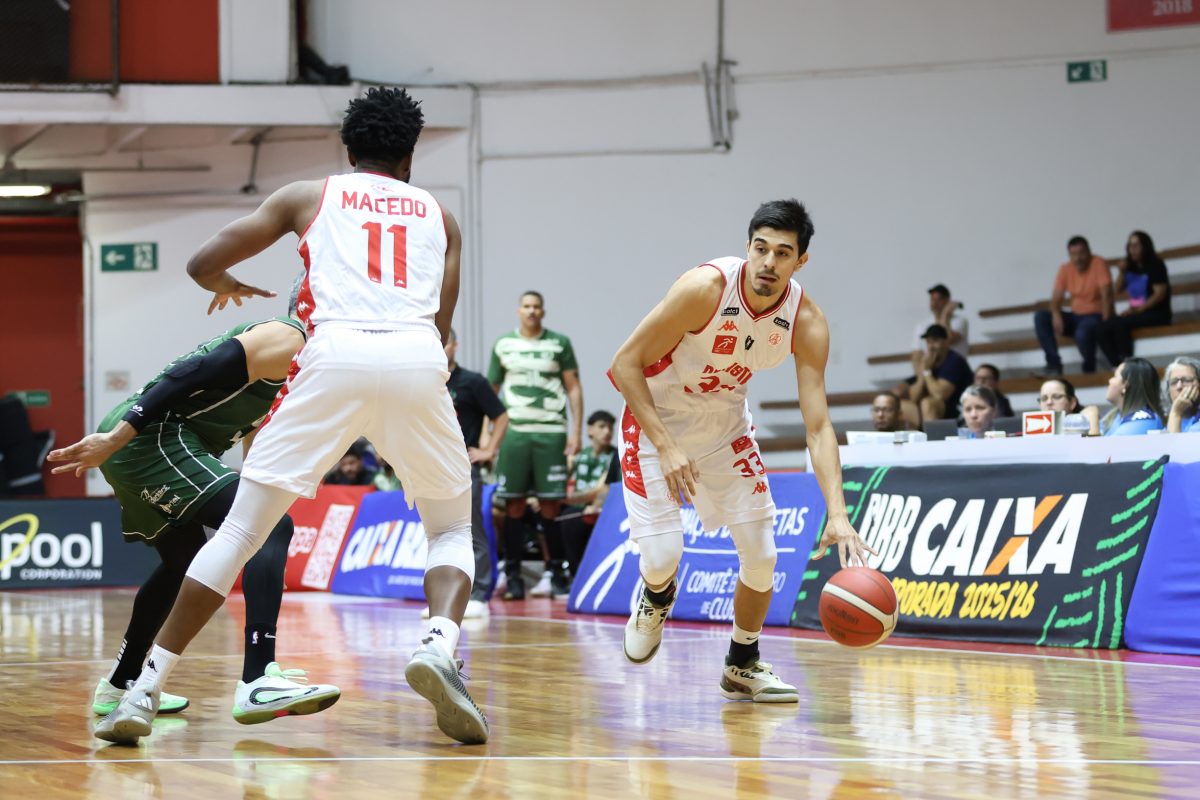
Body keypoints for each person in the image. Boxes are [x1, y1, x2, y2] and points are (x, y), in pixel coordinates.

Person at [93, 86, 489, 746]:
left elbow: (202, 263)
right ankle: (438, 644)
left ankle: (143, 689)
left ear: (348, 148)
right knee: (450, 528)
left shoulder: (308, 195)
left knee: (240, 531)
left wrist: (223, 284)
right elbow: (442, 327)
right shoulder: (440, 217)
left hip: (331, 356)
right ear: (410, 156)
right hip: (416, 359)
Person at [609, 199, 875, 703]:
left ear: (801, 261)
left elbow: (818, 426)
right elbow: (625, 364)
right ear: (747, 247)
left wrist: (838, 515)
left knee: (762, 553)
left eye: (783, 253)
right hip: (656, 419)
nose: (769, 263)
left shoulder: (806, 320)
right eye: (760, 248)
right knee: (662, 557)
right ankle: (657, 593)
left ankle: (742, 663)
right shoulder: (705, 290)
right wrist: (666, 446)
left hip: (725, 425)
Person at [46, 305, 341, 725]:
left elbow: (256, 446)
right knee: (271, 526)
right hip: (153, 437)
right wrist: (116, 438)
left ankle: (119, 683)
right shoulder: (289, 337)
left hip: (145, 443)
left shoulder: (302, 372)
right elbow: (188, 373)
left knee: (182, 562)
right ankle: (258, 677)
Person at [488, 291, 583, 600]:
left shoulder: (559, 343)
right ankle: (513, 576)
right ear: (519, 311)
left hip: (551, 432)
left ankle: (556, 573)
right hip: (515, 432)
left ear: (543, 311)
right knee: (513, 505)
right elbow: (491, 391)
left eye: (536, 307)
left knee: (550, 505)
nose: (531, 311)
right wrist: (488, 439)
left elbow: (573, 387)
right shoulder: (504, 344)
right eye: (526, 306)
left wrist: (576, 432)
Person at [445, 326, 509, 616]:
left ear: (455, 345)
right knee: (440, 532)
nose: (441, 348)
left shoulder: (472, 381)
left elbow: (501, 415)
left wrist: (489, 450)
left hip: (464, 467)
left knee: (471, 530)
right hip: (435, 467)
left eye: (446, 342)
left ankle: (480, 593)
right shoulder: (426, 381)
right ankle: (446, 597)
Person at [1034, 236, 1112, 375]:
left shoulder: (1098, 263)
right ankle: (1054, 364)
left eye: (1081, 253)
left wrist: (1106, 324)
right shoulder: (1065, 268)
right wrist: (1056, 314)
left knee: (1082, 332)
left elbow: (1107, 296)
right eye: (1073, 254)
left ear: (1089, 252)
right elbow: (1056, 299)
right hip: (1075, 316)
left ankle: (1089, 370)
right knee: (1041, 317)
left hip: (1095, 316)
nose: (1078, 258)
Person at [1098, 231, 1172, 368]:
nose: (1132, 249)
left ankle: (1128, 362)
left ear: (1145, 246)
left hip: (1156, 313)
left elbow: (1159, 294)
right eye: (1130, 245)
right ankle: (1116, 364)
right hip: (1137, 312)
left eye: (1136, 245)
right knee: (1102, 327)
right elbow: (1118, 290)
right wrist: (1122, 271)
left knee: (1121, 324)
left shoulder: (1155, 264)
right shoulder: (1130, 266)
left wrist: (1137, 310)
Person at [561, 409, 618, 582]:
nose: (607, 432)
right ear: (590, 429)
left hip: (598, 508)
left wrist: (565, 498)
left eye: (610, 428)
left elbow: (599, 491)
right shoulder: (579, 455)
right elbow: (560, 481)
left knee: (571, 520)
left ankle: (579, 576)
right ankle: (553, 571)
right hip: (574, 506)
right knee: (545, 513)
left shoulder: (615, 456)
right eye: (602, 426)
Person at [899, 324, 973, 429]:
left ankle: (932, 439)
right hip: (938, 409)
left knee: (928, 403)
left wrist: (927, 371)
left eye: (935, 341)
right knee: (905, 405)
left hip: (959, 408)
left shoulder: (955, 361)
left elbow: (940, 395)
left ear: (946, 342)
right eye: (928, 342)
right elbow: (913, 397)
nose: (931, 346)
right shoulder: (928, 361)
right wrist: (923, 371)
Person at [1081, 357, 1165, 436]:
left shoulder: (1144, 419)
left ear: (1125, 385)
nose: (1110, 381)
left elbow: (1107, 446)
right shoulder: (1114, 416)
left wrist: (1093, 419)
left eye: (1115, 376)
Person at [911, 284, 969, 359]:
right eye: (932, 299)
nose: (935, 303)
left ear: (948, 301)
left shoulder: (960, 321)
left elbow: (947, 340)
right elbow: (916, 354)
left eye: (939, 299)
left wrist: (946, 315)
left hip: (954, 365)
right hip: (930, 365)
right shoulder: (921, 326)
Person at [1164, 356, 1200, 433]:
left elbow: (1173, 441)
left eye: (1187, 380)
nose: (1179, 386)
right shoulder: (1169, 422)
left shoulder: (1175, 415)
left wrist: (1176, 413)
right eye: (1174, 382)